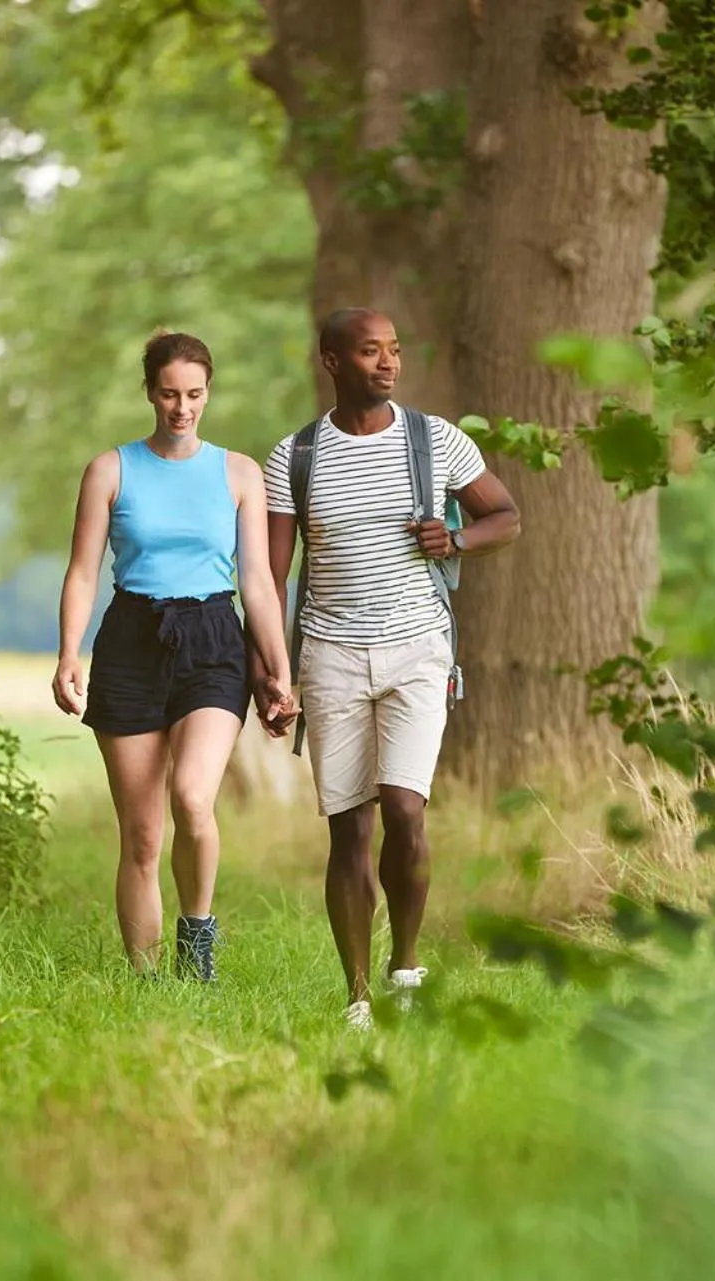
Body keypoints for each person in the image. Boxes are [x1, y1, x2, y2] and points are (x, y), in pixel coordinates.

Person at [262, 308, 521, 1027]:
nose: (388, 363)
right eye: (370, 351)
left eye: (395, 350)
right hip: (330, 654)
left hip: (418, 646)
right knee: (349, 829)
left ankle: (405, 962)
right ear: (332, 361)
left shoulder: (435, 439)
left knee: (405, 808)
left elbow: (506, 517)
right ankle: (357, 997)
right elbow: (274, 572)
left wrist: (456, 538)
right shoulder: (295, 457)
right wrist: (272, 669)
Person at [54, 330, 296, 981]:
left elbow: (259, 584)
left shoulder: (239, 473)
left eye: (193, 394)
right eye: (168, 394)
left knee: (192, 797)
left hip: (214, 638)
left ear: (208, 392)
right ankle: (146, 980)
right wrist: (67, 654)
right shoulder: (111, 470)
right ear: (149, 393)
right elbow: (82, 572)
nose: (181, 407)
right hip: (131, 639)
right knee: (141, 835)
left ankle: (198, 939)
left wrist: (279, 672)